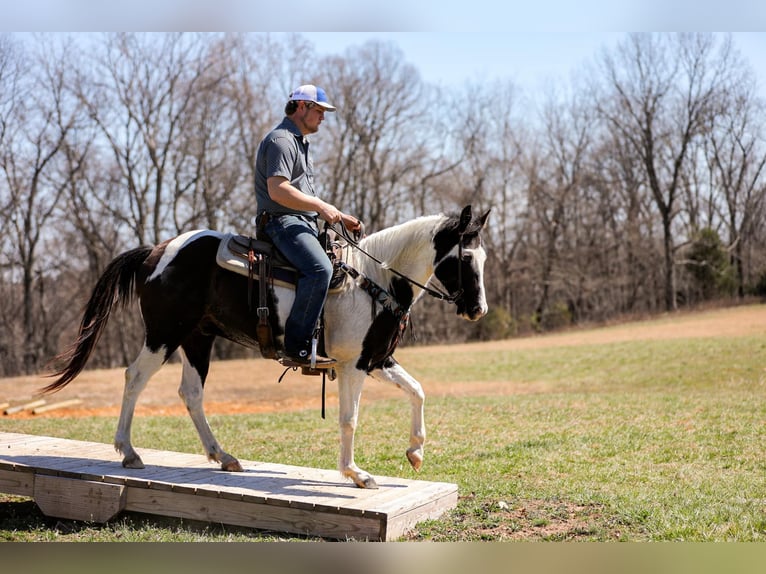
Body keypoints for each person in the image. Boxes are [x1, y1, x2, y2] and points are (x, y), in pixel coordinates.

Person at [255, 84, 361, 368]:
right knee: (319, 269)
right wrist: (322, 207)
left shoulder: (300, 143)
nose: (323, 118)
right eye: (320, 111)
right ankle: (296, 347)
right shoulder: (281, 140)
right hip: (281, 222)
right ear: (301, 107)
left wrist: (338, 213)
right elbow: (278, 191)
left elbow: (304, 195)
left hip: (300, 221)